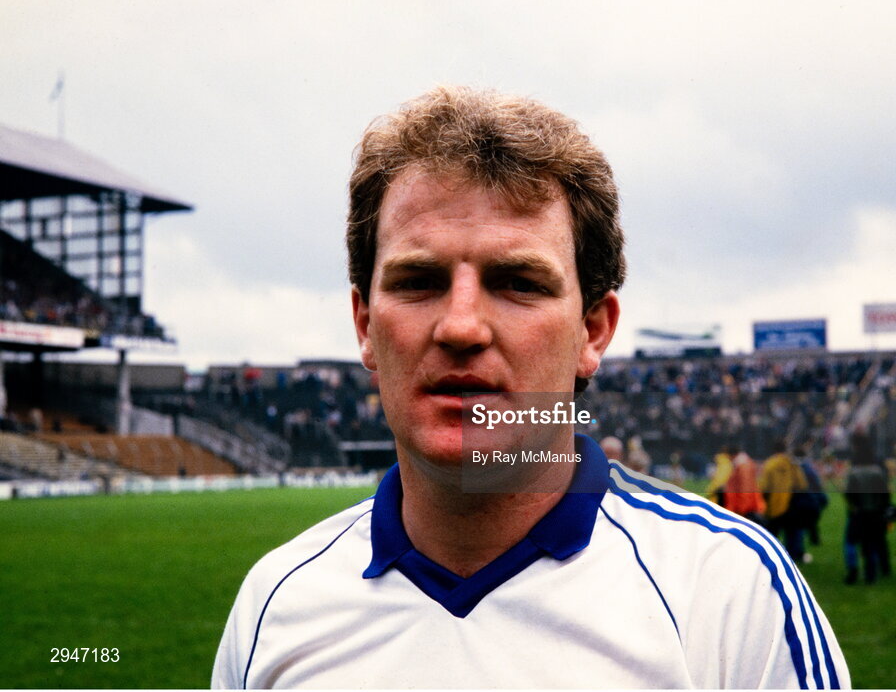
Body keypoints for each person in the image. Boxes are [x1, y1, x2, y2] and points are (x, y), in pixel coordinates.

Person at [212, 86, 848, 688]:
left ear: (592, 332)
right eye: (418, 281)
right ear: (364, 326)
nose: (461, 325)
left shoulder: (731, 592)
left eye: (518, 282)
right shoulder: (276, 606)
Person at [843, 431, 891, 584]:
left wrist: (854, 505)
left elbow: (849, 494)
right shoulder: (877, 472)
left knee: (850, 542)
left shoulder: (854, 473)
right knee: (871, 543)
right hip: (875, 513)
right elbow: (885, 494)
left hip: (857, 513)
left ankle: (853, 570)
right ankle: (871, 574)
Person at [759, 438, 810, 562]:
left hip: (774, 504)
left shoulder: (769, 464)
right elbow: (802, 484)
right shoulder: (791, 463)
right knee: (792, 534)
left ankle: (770, 557)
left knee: (772, 534)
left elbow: (763, 486)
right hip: (791, 503)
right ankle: (791, 559)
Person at [722, 446, 766, 524]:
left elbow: (745, 488)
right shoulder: (742, 464)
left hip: (747, 508)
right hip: (747, 506)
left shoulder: (743, 466)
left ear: (732, 455)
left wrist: (742, 509)